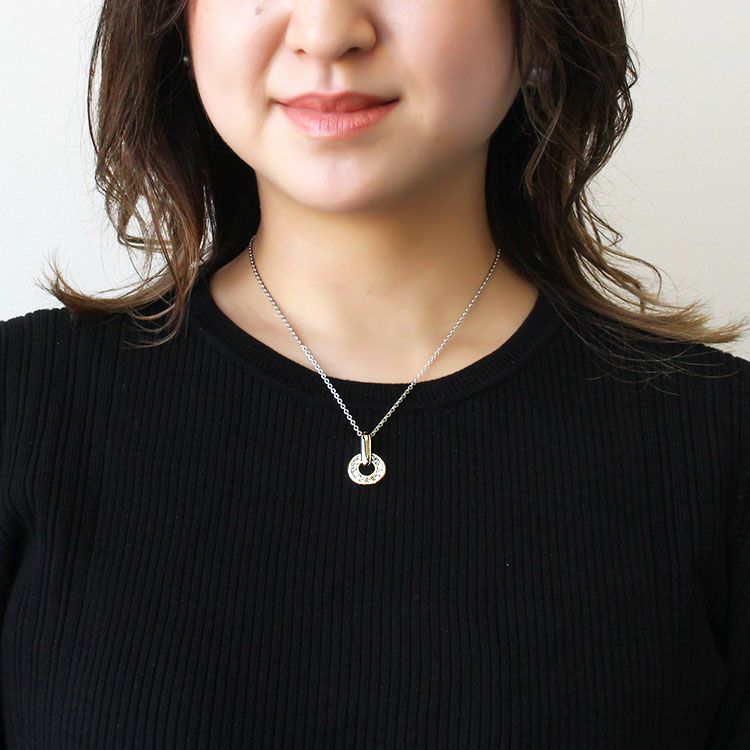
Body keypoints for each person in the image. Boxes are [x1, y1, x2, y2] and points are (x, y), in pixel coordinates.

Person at [1, 0, 748, 747]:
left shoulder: (719, 446)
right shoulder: (25, 404)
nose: (327, 32)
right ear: (178, 26)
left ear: (536, 25)